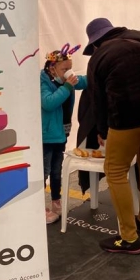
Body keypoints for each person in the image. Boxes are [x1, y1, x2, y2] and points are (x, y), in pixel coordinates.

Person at [83, 18, 140, 254]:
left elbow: (98, 100)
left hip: (128, 117)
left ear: (95, 43)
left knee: (115, 171)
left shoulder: (98, 58)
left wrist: (103, 131)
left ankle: (128, 238)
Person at [40, 44, 87, 224]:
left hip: (61, 133)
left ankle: (55, 200)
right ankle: (38, 207)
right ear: (52, 68)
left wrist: (97, 75)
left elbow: (83, 81)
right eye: (64, 69)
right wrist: (67, 86)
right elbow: (48, 103)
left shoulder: (65, 80)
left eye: (70, 68)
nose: (69, 71)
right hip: (46, 136)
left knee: (56, 171)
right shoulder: (43, 81)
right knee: (44, 171)